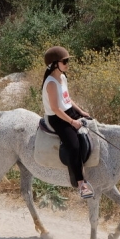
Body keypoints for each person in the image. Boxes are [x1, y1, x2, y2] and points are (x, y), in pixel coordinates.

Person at [41, 46, 94, 199]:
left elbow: (68, 99)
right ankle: (81, 184)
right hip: (58, 118)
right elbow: (56, 108)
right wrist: (72, 122)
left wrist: (81, 112)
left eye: (67, 61)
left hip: (69, 110)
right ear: (54, 64)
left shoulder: (62, 77)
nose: (67, 64)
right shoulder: (51, 83)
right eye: (65, 61)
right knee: (74, 145)